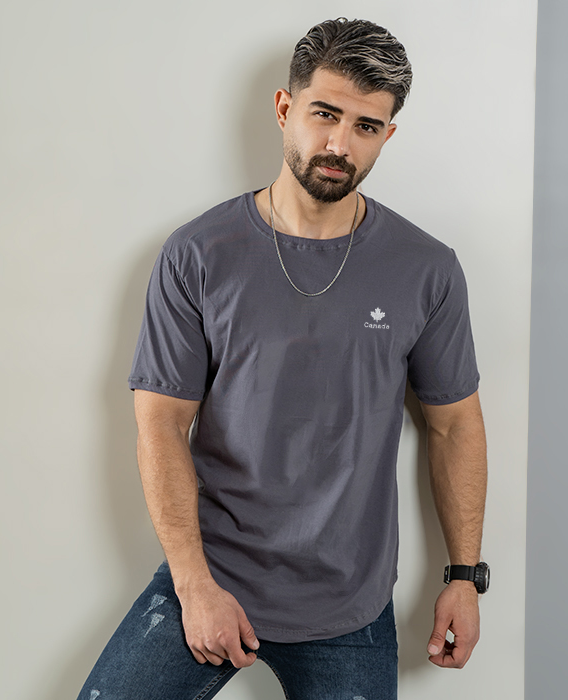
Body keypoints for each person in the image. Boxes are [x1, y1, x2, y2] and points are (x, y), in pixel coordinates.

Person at [78, 17, 487, 700]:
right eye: (324, 114)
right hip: (211, 576)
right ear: (284, 108)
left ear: (387, 135)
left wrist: (464, 578)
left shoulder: (426, 268)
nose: (339, 144)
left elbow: (455, 426)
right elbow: (160, 424)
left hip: (349, 605)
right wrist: (194, 586)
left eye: (365, 126)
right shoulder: (198, 254)